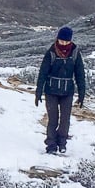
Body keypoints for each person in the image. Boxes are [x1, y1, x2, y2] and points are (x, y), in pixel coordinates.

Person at [35, 26, 86, 154]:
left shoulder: (75, 53)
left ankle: (62, 143)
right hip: (51, 91)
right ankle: (51, 145)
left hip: (67, 92)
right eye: (61, 41)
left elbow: (80, 74)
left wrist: (81, 93)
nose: (63, 43)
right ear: (57, 39)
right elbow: (43, 73)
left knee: (65, 120)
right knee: (53, 119)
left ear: (70, 40)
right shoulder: (51, 52)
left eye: (66, 41)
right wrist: (38, 92)